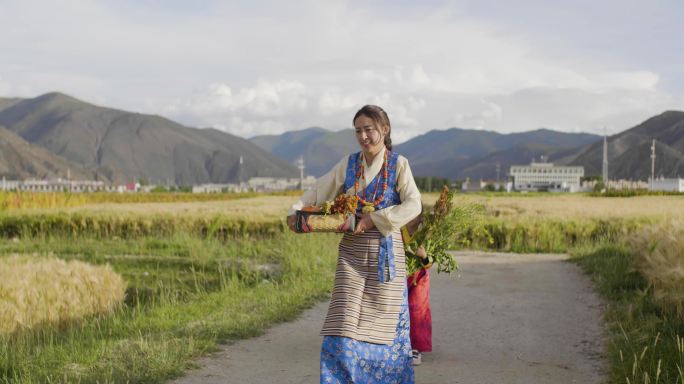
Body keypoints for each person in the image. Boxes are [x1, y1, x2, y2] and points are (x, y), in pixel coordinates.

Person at [287, 105, 422, 384]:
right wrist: (298, 209)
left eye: (369, 129)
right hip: (352, 254)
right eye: (358, 131)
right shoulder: (349, 164)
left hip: (387, 256)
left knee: (382, 330)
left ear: (384, 129)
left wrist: (376, 218)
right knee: (342, 324)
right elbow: (320, 188)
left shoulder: (398, 164)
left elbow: (414, 204)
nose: (363, 136)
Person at [402, 213, 433, 366]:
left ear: (420, 218)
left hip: (419, 277)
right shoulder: (399, 230)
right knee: (399, 309)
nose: (411, 219)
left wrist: (424, 256)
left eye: (415, 216)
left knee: (416, 311)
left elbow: (429, 264)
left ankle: (416, 349)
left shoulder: (425, 236)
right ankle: (401, 345)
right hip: (402, 274)